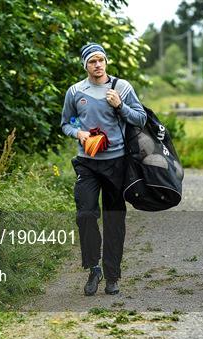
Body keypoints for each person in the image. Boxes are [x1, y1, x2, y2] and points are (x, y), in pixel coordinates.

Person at [60, 43, 147, 296]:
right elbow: (66, 122)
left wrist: (120, 106)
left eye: (100, 60)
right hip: (87, 162)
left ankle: (112, 276)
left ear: (106, 62)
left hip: (116, 162)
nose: (97, 65)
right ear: (85, 66)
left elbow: (140, 119)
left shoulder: (122, 87)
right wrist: (79, 132)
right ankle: (93, 268)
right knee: (85, 214)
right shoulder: (76, 91)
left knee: (114, 220)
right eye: (92, 61)